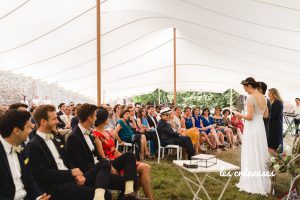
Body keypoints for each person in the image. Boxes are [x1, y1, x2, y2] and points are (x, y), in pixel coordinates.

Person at [26, 105, 115, 200]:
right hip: (58, 186)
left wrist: (77, 174)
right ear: (43, 122)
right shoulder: (33, 145)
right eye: (54, 119)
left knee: (105, 164)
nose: (57, 121)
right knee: (107, 195)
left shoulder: (55, 138)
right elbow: (43, 174)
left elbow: (67, 159)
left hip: (71, 178)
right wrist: (71, 173)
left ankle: (101, 195)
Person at [66, 104, 147, 200]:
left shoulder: (90, 133)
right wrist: (106, 166)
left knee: (129, 156)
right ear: (89, 118)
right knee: (106, 165)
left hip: (102, 167)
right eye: (95, 115)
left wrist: (108, 165)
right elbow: (77, 163)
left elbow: (98, 156)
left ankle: (128, 193)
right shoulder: (74, 137)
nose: (96, 118)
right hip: (90, 173)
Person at [93, 108, 153, 200]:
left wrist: (127, 161)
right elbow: (102, 157)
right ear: (103, 119)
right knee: (144, 168)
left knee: (144, 166)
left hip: (116, 159)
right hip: (109, 164)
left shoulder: (107, 132)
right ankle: (130, 195)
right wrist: (111, 167)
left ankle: (129, 195)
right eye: (107, 117)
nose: (109, 119)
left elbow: (115, 151)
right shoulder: (96, 135)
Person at [0, 109, 50, 200]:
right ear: (17, 131)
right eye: (29, 127)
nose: (31, 131)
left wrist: (38, 197)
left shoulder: (20, 147)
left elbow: (29, 180)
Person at [234, 77, 271, 195]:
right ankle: (261, 180)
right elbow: (265, 115)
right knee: (259, 152)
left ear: (249, 86)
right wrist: (256, 115)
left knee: (251, 152)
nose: (245, 91)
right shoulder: (264, 98)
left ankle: (252, 182)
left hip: (252, 127)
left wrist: (238, 114)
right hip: (260, 127)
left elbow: (249, 117)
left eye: (245, 88)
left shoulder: (250, 97)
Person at [268, 88, 284, 154]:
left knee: (276, 138)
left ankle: (277, 152)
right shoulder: (273, 101)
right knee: (272, 138)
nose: (268, 94)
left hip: (276, 124)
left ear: (274, 94)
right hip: (272, 123)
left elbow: (276, 114)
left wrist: (268, 116)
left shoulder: (278, 102)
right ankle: (273, 151)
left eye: (270, 93)